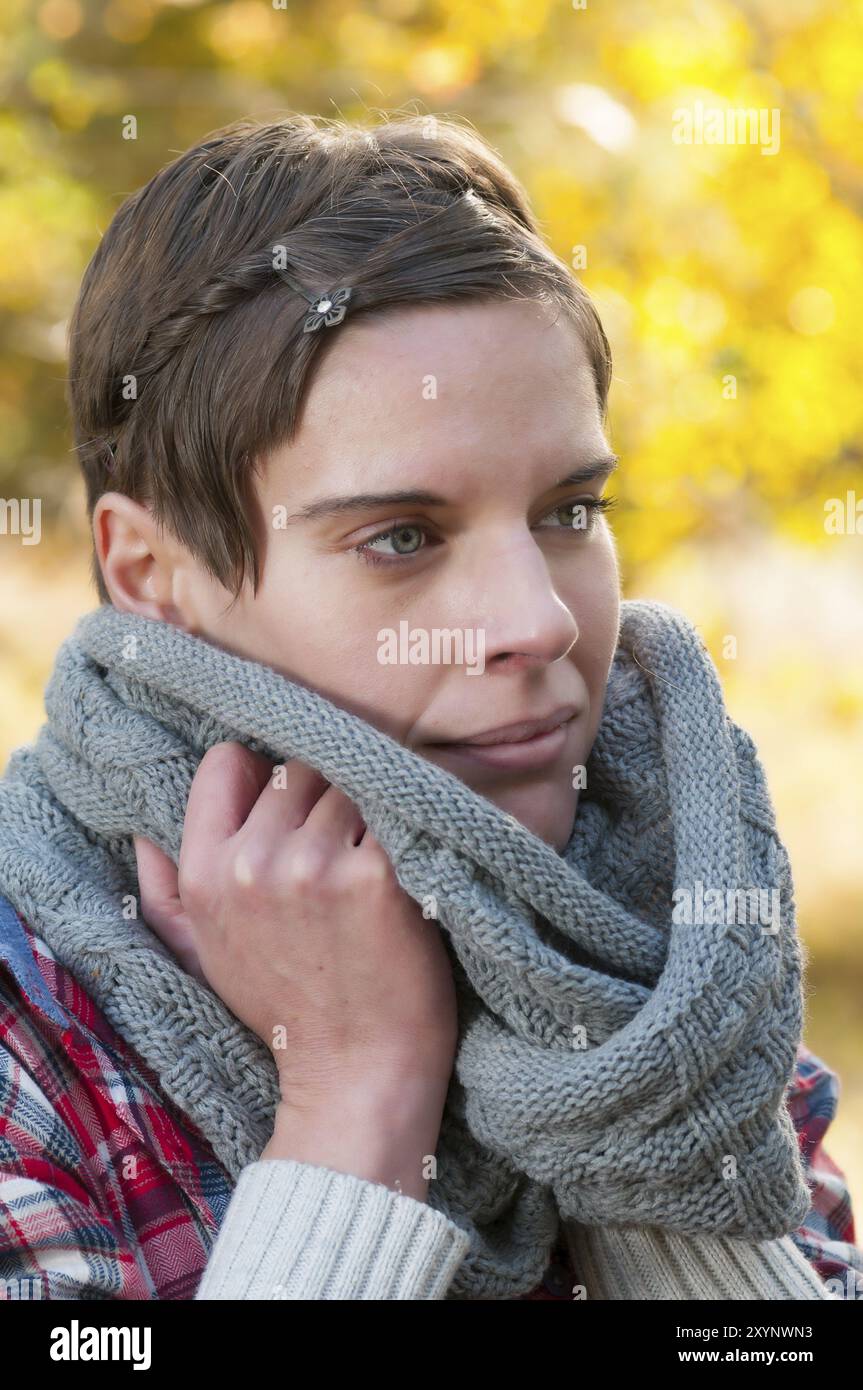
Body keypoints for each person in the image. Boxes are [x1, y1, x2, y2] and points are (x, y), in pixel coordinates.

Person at [1, 112, 861, 1301]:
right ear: (153, 579)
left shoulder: (668, 976)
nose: (537, 622)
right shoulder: (30, 1050)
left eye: (567, 511)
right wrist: (355, 1091)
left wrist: (643, 1139)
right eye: (401, 536)